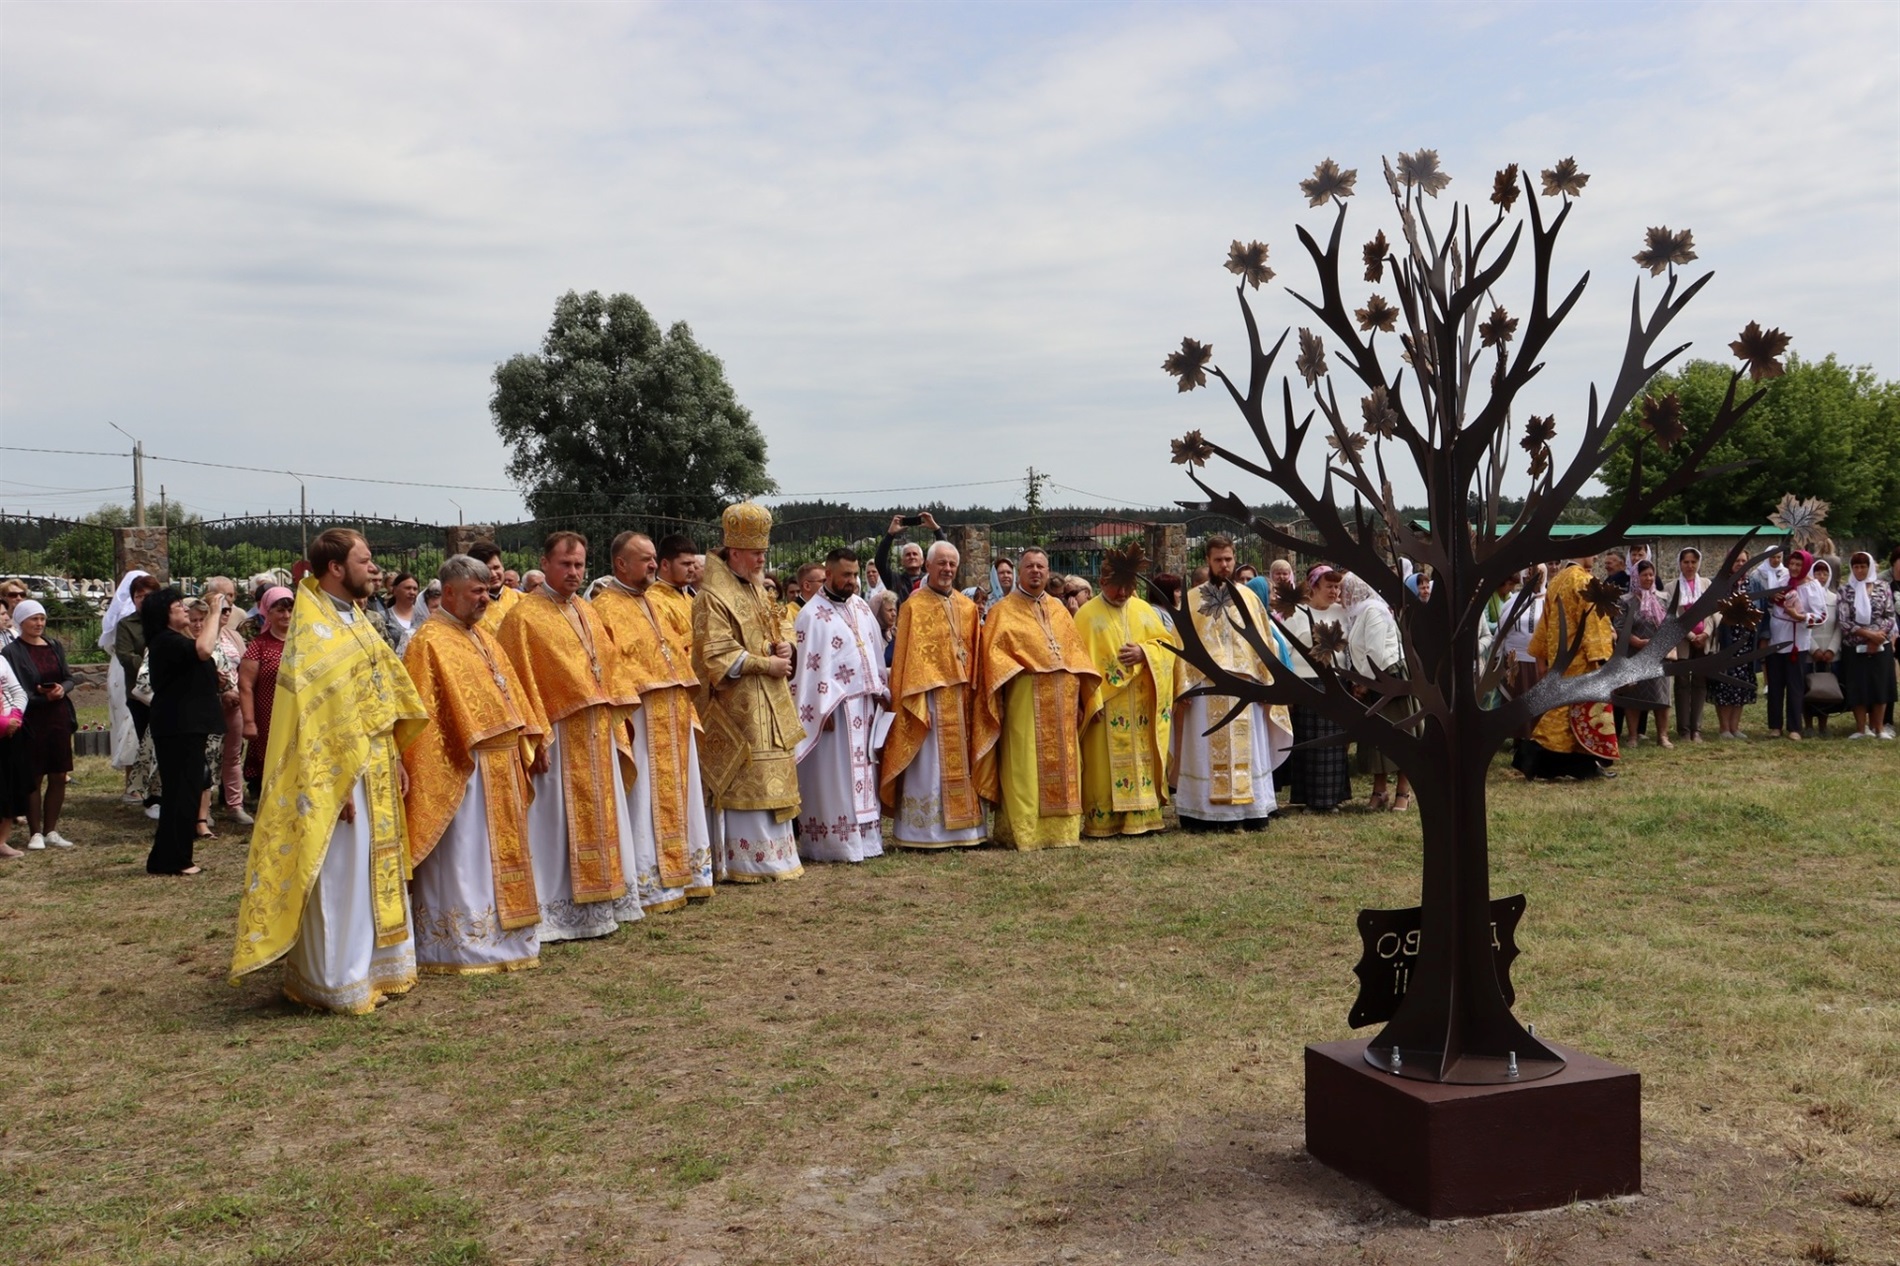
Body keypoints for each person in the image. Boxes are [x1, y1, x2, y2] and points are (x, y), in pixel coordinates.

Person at [230, 529, 430, 1014]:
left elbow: (381, 692)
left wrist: (395, 756)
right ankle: (338, 979)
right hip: (338, 775)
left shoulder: (355, 617)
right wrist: (330, 785)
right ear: (336, 568)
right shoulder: (313, 628)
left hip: (375, 764)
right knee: (343, 873)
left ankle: (379, 967)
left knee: (374, 867)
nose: (374, 568)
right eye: (365, 560)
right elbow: (310, 720)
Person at [400, 555, 544, 974]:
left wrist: (529, 738)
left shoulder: (481, 636)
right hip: (462, 767)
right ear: (448, 593)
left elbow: (510, 691)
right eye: (476, 592)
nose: (485, 598)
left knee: (496, 852)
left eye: (486, 591)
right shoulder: (429, 641)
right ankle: (461, 943)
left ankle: (506, 934)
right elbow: (425, 717)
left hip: (501, 763)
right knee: (466, 851)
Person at [496, 531, 641, 939]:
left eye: (579, 564)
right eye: (565, 564)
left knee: (601, 815)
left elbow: (607, 668)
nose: (574, 572)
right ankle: (557, 908)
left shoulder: (587, 611)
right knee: (555, 821)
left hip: (596, 731)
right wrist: (533, 736)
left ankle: (602, 901)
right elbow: (516, 684)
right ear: (545, 563)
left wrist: (616, 723)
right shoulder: (522, 618)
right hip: (556, 736)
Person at [593, 531, 715, 906]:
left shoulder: (655, 603)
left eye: (652, 558)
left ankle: (686, 875)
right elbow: (608, 667)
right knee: (643, 796)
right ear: (620, 564)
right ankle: (649, 882)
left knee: (681, 793)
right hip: (640, 717)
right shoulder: (604, 608)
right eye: (644, 559)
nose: (651, 564)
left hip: (674, 712)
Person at [694, 503, 806, 881]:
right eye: (755, 553)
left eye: (763, 552)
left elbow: (781, 623)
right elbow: (716, 654)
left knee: (774, 768)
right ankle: (744, 861)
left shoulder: (758, 587)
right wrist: (765, 665)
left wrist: (786, 646)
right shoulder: (712, 596)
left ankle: (779, 856)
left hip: (771, 699)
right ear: (734, 552)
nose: (762, 559)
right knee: (746, 774)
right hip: (736, 705)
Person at [972, 546, 1100, 849]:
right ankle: (1025, 831)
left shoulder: (1059, 610)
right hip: (1025, 699)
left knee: (1064, 767)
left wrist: (1083, 698)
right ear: (1020, 571)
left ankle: (1063, 832)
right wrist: (1026, 667)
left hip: (1062, 703)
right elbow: (992, 658)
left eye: (1041, 566)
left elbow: (1076, 654)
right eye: (1029, 566)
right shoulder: (1002, 611)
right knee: (1024, 765)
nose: (1036, 571)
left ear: (1047, 571)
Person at [1172, 537, 1291, 829]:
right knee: (1203, 750)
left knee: (1248, 750)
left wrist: (1268, 683)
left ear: (1234, 558)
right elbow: (1180, 644)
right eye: (1218, 560)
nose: (1224, 565)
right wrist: (1182, 686)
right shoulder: (1192, 599)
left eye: (1228, 559)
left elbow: (1265, 643)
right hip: (1205, 690)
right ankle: (1203, 814)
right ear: (1208, 561)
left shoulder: (1249, 598)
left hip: (1246, 688)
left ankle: (1251, 812)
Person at [881, 541, 986, 849]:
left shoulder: (967, 607)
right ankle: (924, 832)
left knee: (962, 763)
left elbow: (975, 655)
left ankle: (966, 831)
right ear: (928, 566)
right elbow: (905, 660)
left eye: (952, 564)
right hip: (927, 698)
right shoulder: (913, 606)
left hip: (962, 698)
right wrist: (917, 697)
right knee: (929, 765)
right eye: (941, 563)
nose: (947, 569)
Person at [791, 547, 888, 864]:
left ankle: (866, 839)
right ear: (829, 574)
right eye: (846, 575)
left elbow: (874, 649)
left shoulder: (860, 606)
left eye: (855, 574)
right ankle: (833, 843)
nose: (853, 581)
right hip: (833, 712)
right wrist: (820, 709)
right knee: (837, 777)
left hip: (864, 706)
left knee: (864, 774)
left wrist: (879, 688)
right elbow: (807, 669)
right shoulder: (811, 615)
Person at [1072, 546, 1174, 837]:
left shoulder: (1144, 610)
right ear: (1102, 582)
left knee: (1142, 759)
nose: (1123, 593)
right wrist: (1085, 701)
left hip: (1141, 703)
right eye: (1117, 586)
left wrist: (1145, 652)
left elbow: (1167, 646)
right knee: (1102, 766)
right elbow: (1076, 663)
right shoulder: (1086, 616)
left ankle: (1144, 815)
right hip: (1103, 704)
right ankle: (1104, 820)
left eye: (1129, 586)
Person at [140, 586, 225, 874]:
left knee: (186, 790)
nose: (184, 609)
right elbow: (204, 649)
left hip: (186, 724)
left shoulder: (175, 640)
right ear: (163, 614)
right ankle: (173, 859)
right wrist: (214, 612)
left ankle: (168, 857)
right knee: (181, 792)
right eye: (178, 606)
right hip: (178, 725)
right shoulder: (166, 641)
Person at [1513, 553, 1619, 780]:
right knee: (1576, 712)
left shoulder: (1557, 581)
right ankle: (1532, 759)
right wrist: (1601, 655)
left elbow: (1545, 622)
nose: (1596, 557)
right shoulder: (1585, 581)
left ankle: (1583, 766)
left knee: (1566, 711)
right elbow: (1594, 622)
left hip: (1559, 659)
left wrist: (1541, 656)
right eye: (1593, 552)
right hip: (1582, 659)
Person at [1, 600, 77, 850]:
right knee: (34, 775)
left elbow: (68, 677)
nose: (39, 623)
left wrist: (61, 689)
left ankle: (51, 829)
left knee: (58, 773)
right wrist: (42, 697)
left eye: (42, 618)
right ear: (21, 621)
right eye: (33, 619)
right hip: (31, 719)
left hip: (58, 717)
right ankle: (35, 832)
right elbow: (15, 689)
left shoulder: (53, 645)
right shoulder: (12, 652)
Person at [1280, 564, 1354, 810]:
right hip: (1307, 683)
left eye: (1337, 587)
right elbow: (1284, 650)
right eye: (1329, 586)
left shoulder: (1342, 613)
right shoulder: (1296, 614)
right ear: (1313, 587)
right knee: (1311, 744)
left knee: (1334, 743)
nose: (1334, 592)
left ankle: (1333, 797)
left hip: (1336, 682)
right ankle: (1310, 798)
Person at [1342, 572, 1416, 811]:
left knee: (1400, 736)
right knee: (1378, 741)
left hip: (1389, 681)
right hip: (1375, 681)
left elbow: (1375, 652)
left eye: (1345, 590)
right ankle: (1380, 791)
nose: (1342, 596)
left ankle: (1403, 792)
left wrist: (1364, 682)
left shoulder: (1373, 610)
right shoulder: (1362, 612)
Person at [101, 569, 159, 801]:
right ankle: (144, 789)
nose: (143, 599)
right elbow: (126, 656)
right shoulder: (127, 624)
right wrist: (154, 664)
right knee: (144, 740)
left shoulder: (168, 620)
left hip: (168, 691)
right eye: (139, 596)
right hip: (140, 692)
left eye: (148, 595)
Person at [202, 577, 253, 825]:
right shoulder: (200, 635)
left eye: (230, 605)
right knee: (207, 756)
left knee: (232, 756)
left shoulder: (233, 636)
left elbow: (244, 667)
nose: (228, 610)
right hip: (209, 704)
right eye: (223, 606)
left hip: (234, 705)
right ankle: (205, 808)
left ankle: (235, 805)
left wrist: (238, 694)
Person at [1764, 549, 1827, 740]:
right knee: (1775, 684)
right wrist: (1772, 597)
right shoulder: (1783, 579)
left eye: (1798, 565)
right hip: (1777, 638)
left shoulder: (1812, 586)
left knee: (1795, 685)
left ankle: (1794, 727)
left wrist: (1800, 617)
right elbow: (1771, 600)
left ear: (1806, 566)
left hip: (1797, 642)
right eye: (1792, 563)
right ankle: (1775, 726)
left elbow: (1822, 616)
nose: (1794, 568)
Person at [239, 587, 294, 801]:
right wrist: (249, 721)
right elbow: (245, 685)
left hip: (298, 714)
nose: (286, 615)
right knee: (271, 762)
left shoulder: (304, 642)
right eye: (280, 610)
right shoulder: (259, 646)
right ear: (267, 613)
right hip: (268, 718)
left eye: (290, 610)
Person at [1612, 560, 1673, 748]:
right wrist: (1637, 642)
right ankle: (1633, 736)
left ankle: (1663, 736)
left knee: (1662, 696)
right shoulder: (1625, 600)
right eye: (1644, 575)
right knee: (1634, 696)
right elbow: (1619, 627)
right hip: (1634, 654)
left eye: (1651, 574)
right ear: (1635, 577)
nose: (1648, 578)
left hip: (1658, 656)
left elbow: (1671, 624)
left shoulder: (1663, 598)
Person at [1838, 551, 1896, 740]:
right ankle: (1861, 728)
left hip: (1880, 644)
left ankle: (1879, 728)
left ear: (1869, 567)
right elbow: (1844, 621)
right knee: (1858, 686)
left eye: (1863, 566)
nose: (1859, 570)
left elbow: (1889, 616)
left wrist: (1877, 637)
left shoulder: (1883, 586)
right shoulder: (1845, 590)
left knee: (1880, 685)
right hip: (1855, 646)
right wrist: (1868, 635)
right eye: (1856, 567)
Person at [1663, 548, 1711, 741]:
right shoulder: (1670, 587)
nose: (1690, 566)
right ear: (1680, 563)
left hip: (1704, 640)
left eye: (1693, 562)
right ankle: (1684, 729)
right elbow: (1672, 616)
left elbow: (1715, 610)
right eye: (1686, 562)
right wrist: (1691, 636)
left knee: (1700, 682)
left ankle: (1696, 728)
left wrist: (1706, 633)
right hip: (1683, 641)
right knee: (1682, 683)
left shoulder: (1706, 584)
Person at [1709, 552, 1759, 740]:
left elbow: (1761, 606)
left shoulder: (1753, 583)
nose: (1740, 564)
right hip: (1725, 640)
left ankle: (1735, 727)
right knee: (1725, 683)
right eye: (1737, 560)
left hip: (1746, 641)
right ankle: (1724, 728)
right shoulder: (1720, 583)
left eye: (1744, 561)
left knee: (1742, 683)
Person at [1802, 560, 1847, 736]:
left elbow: (1839, 626)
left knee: (1826, 689)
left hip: (1830, 653)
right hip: (1809, 651)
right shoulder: (1804, 597)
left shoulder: (1835, 598)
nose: (1821, 577)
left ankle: (1823, 725)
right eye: (1818, 573)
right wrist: (1814, 649)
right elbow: (1803, 624)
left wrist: (1831, 650)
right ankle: (1808, 725)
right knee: (1808, 688)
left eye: (1824, 573)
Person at [874, 513, 946, 613]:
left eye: (915, 554)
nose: (911, 557)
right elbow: (880, 562)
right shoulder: (895, 580)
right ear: (902, 561)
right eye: (908, 555)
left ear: (922, 560)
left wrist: (936, 529)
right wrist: (890, 534)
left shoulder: (930, 579)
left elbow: (945, 555)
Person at [0, 652, 28, 857]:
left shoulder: (1, 660)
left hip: (10, 730)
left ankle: (1, 841)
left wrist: (15, 717)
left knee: (8, 786)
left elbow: (18, 691)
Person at [468, 541, 523, 638]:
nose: (493, 574)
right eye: (486, 570)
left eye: (496, 567)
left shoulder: (522, 599)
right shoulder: (468, 608)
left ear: (502, 566)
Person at [651, 534, 699, 643]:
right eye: (686, 564)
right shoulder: (653, 600)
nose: (692, 569)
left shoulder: (689, 598)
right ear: (665, 565)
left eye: (693, 564)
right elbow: (666, 644)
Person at [383, 571, 427, 655]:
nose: (412, 592)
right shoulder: (384, 617)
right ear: (395, 590)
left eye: (415, 589)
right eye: (408, 588)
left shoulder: (424, 615)